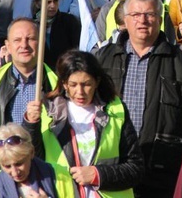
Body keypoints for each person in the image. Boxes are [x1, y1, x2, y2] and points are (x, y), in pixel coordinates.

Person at [95, 0, 182, 197]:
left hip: (162, 167)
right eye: (136, 15)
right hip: (114, 165)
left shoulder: (180, 58)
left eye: (150, 15)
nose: (142, 21)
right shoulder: (103, 57)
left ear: (160, 20)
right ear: (125, 21)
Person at [0, 18, 58, 197]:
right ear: (7, 45)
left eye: (31, 39)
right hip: (1, 178)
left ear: (41, 42)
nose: (24, 45)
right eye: (17, 40)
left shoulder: (58, 84)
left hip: (45, 178)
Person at [43, 50, 144, 195]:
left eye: (86, 84)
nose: (80, 92)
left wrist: (98, 175)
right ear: (64, 84)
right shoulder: (46, 111)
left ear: (97, 82)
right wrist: (30, 124)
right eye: (73, 84)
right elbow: (31, 159)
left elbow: (135, 168)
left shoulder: (116, 110)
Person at [0, 123, 75, 198]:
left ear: (31, 152)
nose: (15, 172)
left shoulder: (58, 175)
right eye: (7, 166)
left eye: (19, 164)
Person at [31, 0, 81, 68]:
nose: (53, 5)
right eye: (48, 2)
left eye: (55, 1)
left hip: (65, 70)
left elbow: (79, 48)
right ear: (38, 4)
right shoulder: (31, 26)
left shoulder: (69, 21)